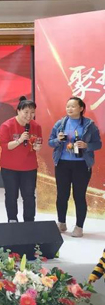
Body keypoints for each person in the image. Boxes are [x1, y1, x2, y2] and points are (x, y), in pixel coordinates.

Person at [49, 96, 102, 237]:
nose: (69, 109)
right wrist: (57, 140)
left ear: (81, 108)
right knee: (62, 195)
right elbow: (50, 142)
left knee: (79, 195)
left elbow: (98, 144)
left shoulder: (89, 125)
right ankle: (61, 222)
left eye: (73, 106)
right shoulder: (60, 124)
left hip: (81, 165)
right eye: (68, 106)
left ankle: (79, 226)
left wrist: (86, 145)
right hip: (62, 164)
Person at [0, 96, 42, 223]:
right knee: (11, 195)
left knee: (29, 196)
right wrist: (20, 140)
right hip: (9, 168)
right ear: (18, 111)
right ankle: (12, 220)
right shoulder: (7, 126)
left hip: (29, 167)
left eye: (32, 112)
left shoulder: (36, 126)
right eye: (26, 112)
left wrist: (37, 146)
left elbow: (38, 143)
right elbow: (5, 146)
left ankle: (29, 221)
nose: (29, 115)